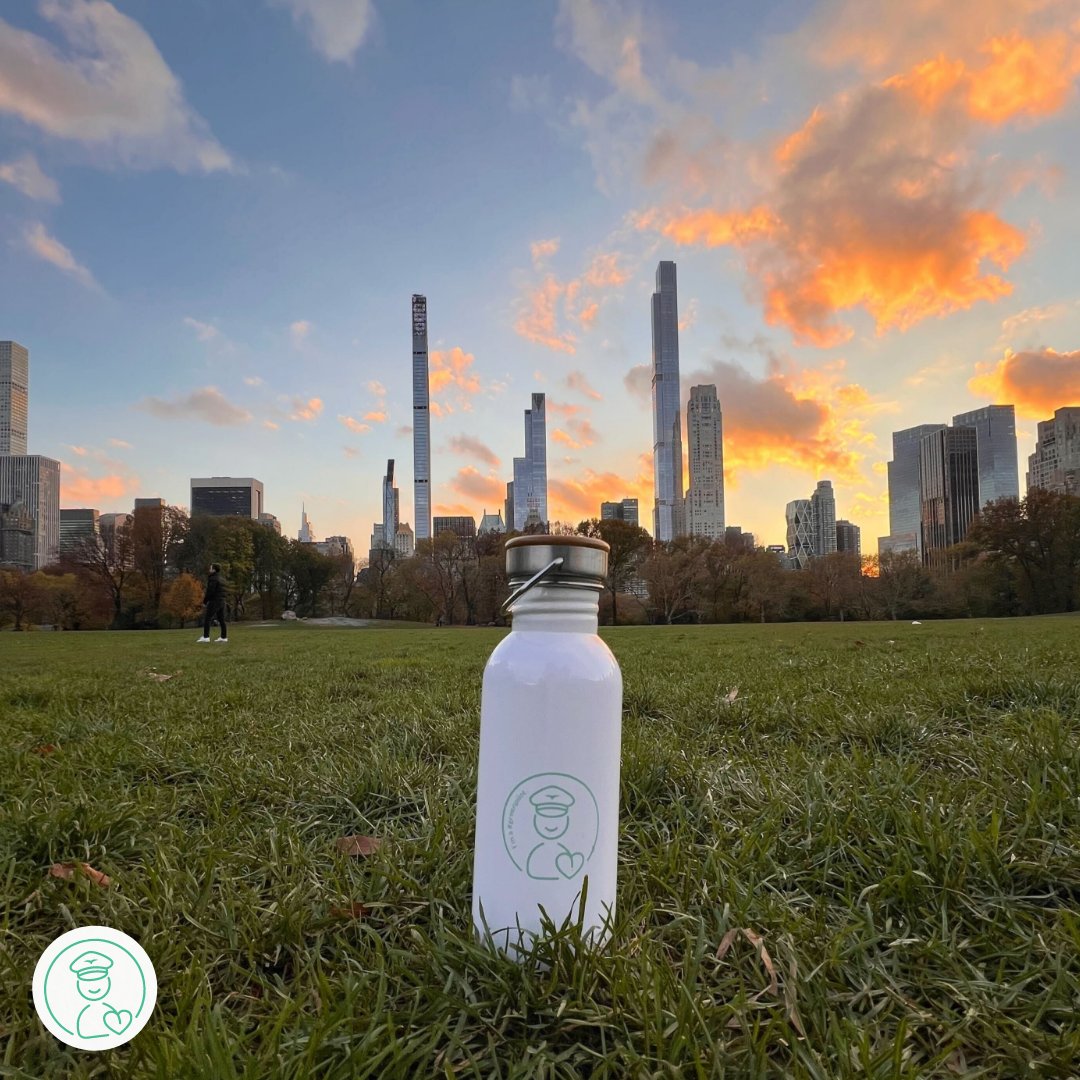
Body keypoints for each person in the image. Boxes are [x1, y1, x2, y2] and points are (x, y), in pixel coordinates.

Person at [197, 564, 228, 643]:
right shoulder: (221, 579)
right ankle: (224, 637)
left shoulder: (213, 579)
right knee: (221, 619)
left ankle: (206, 637)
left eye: (210, 568)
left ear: (214, 570)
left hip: (215, 601)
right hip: (222, 601)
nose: (209, 570)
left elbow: (210, 591)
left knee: (207, 618)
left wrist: (205, 601)